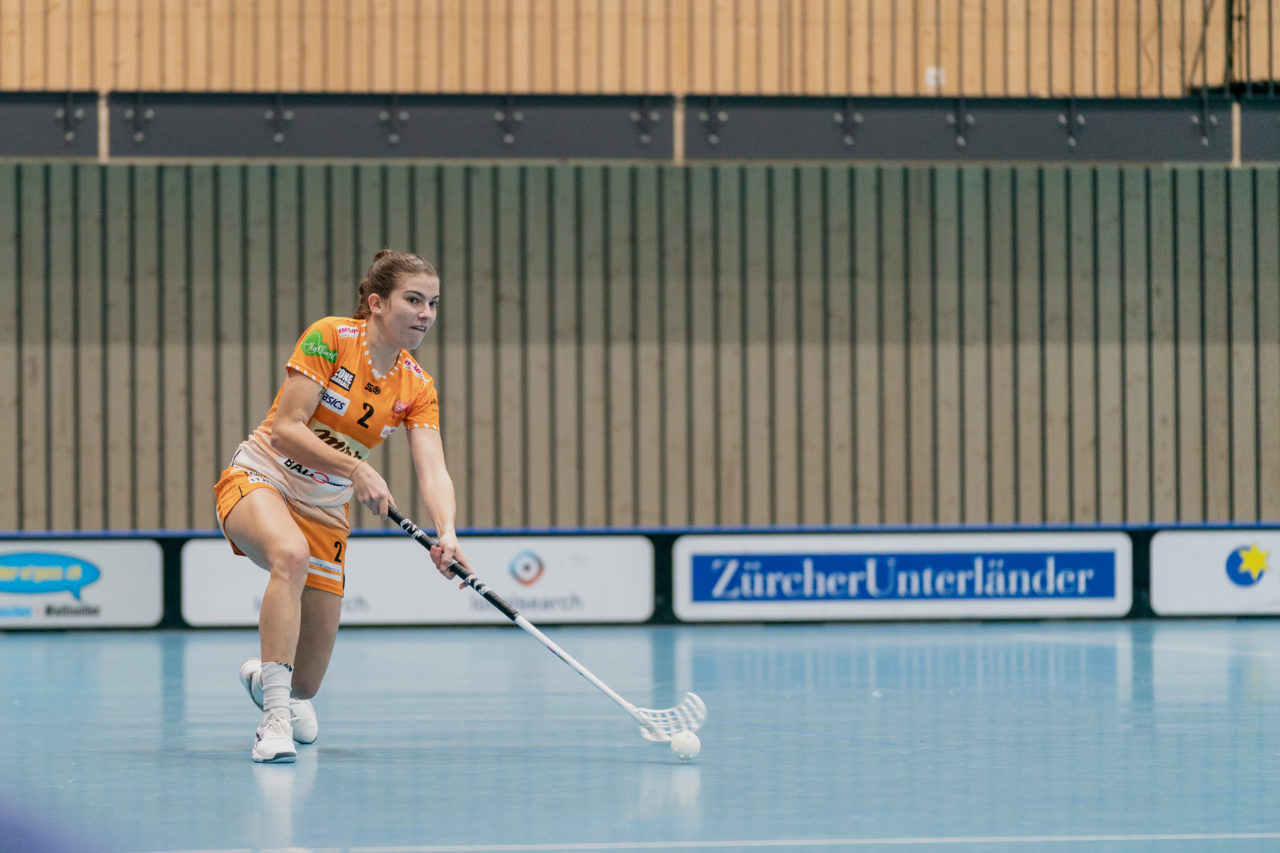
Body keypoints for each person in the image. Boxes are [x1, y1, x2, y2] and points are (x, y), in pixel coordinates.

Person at [213, 249, 469, 763]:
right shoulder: (330, 338)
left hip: (325, 511)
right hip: (261, 477)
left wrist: (447, 533)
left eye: (433, 304)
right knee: (289, 557)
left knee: (305, 684)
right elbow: (286, 430)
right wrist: (356, 468)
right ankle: (273, 721)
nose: (425, 313)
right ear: (376, 303)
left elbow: (433, 470)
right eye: (413, 300)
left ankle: (273, 684)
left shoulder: (417, 386)